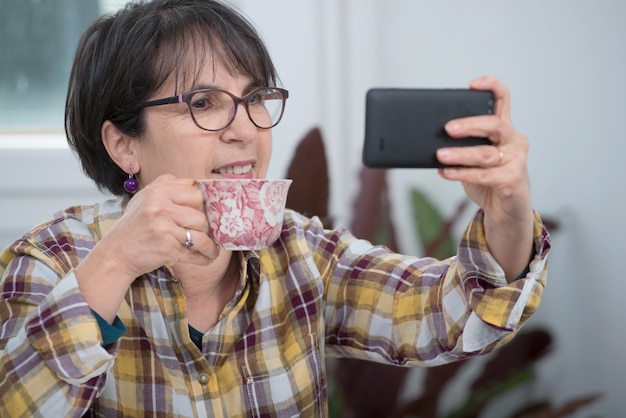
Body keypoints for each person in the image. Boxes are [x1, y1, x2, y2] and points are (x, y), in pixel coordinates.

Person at [0, 0, 550, 416]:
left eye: (256, 98)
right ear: (123, 143)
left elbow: (456, 315)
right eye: (204, 103)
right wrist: (116, 264)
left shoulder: (301, 252)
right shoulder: (50, 259)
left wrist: (508, 214)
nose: (246, 130)